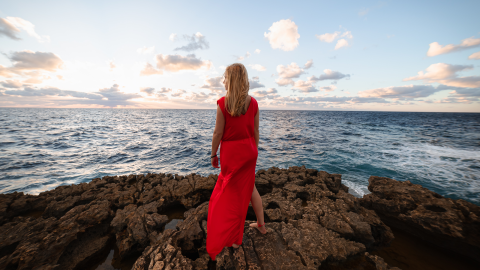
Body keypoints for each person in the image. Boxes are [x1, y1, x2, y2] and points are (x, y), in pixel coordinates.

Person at [206, 63, 266, 261]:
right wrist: (254, 150)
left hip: (232, 153)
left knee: (229, 195)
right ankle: (261, 225)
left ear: (229, 81)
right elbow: (256, 132)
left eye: (225, 78)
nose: (223, 81)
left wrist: (213, 154)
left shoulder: (223, 104)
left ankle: (233, 238)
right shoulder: (254, 103)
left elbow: (218, 133)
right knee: (249, 189)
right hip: (250, 150)